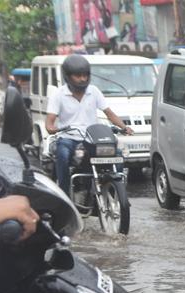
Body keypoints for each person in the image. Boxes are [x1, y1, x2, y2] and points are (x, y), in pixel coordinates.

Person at [45, 54, 132, 195]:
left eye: (85, 75)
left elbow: (109, 113)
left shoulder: (94, 91)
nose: (82, 79)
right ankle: (64, 194)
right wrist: (51, 128)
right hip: (69, 139)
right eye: (78, 76)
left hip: (92, 139)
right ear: (68, 76)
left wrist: (124, 127)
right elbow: (49, 121)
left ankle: (112, 189)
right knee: (62, 155)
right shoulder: (58, 95)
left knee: (118, 154)